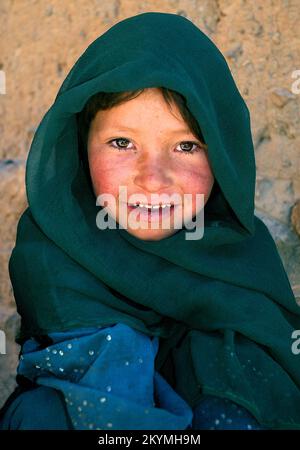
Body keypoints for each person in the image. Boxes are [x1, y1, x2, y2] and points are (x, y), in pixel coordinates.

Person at [1, 11, 300, 430]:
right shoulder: (55, 252)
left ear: (224, 154)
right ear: (80, 145)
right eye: (122, 142)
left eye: (185, 146)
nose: (153, 178)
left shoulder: (244, 262)